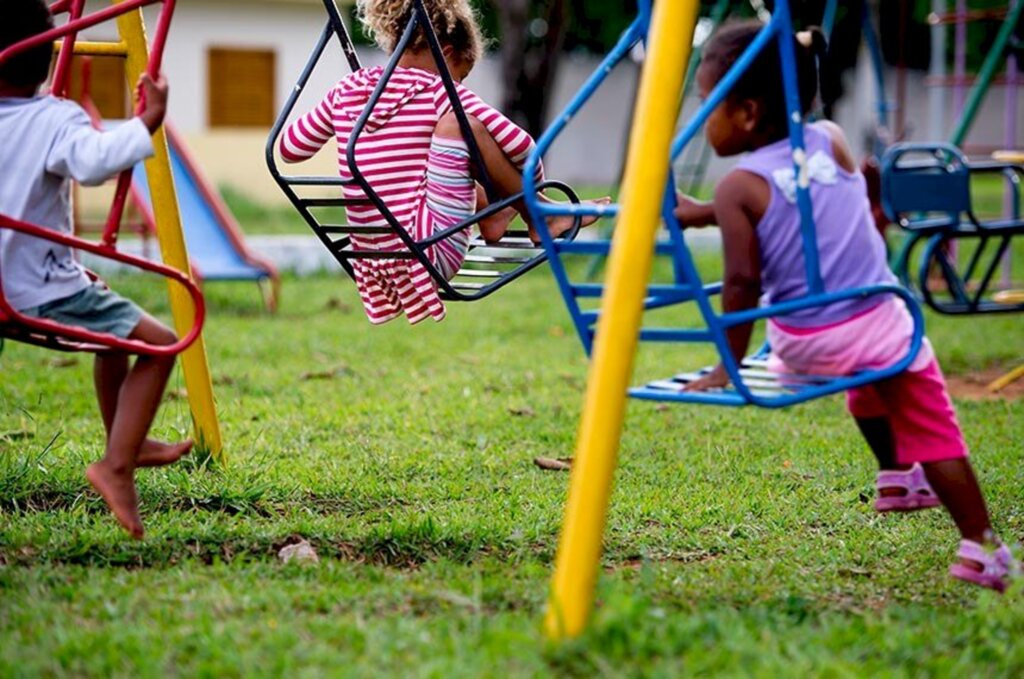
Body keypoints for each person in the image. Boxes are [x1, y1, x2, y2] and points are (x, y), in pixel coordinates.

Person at [674, 21, 1017, 592]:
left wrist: (724, 365)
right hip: (868, 321)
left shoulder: (737, 187)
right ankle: (982, 547)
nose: (702, 118)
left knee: (868, 371)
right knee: (923, 405)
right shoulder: (830, 138)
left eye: (709, 104)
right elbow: (808, 197)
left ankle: (897, 479)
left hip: (799, 342)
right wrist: (706, 211)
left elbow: (742, 281)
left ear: (749, 113)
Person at [280, 0, 608, 325]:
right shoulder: (441, 93)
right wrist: (525, 182)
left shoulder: (347, 90)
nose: (460, 84)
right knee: (460, 127)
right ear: (447, 53)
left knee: (430, 155)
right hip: (429, 251)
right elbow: (524, 148)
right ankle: (539, 214)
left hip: (374, 260)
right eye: (462, 76)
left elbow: (290, 149)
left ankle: (492, 216)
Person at [0, 0, 191, 539]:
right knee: (161, 344)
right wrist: (146, 122)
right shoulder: (51, 116)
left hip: (6, 289)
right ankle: (115, 465)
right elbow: (91, 164)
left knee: (110, 326)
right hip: (39, 290)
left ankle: (124, 439)